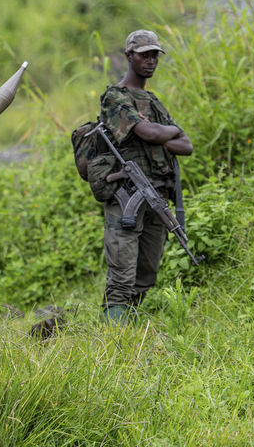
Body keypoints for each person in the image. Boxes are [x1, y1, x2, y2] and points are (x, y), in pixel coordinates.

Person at [98, 30, 194, 324]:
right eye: (144, 55)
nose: (151, 60)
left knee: (146, 272)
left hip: (157, 195)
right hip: (126, 193)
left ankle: (131, 327)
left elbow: (187, 145)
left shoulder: (152, 101)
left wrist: (159, 136)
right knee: (122, 272)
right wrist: (163, 134)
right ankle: (113, 337)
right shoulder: (115, 97)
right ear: (129, 56)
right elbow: (148, 132)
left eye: (155, 55)